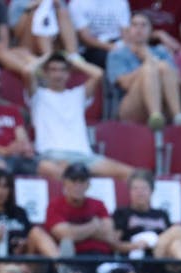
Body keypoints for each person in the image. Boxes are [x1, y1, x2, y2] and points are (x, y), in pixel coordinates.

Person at [30, 52, 134, 180]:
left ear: (69, 74)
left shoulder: (77, 95)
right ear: (45, 73)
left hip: (85, 157)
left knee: (132, 174)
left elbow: (98, 74)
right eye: (53, 70)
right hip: (53, 155)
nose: (58, 74)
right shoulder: (38, 95)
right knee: (67, 176)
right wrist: (47, 56)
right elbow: (27, 71)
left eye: (63, 70)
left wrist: (74, 61)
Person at [45, 162, 137, 273]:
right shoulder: (55, 205)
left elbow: (108, 233)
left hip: (101, 259)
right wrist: (94, 225)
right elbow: (64, 235)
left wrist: (76, 232)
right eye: (73, 180)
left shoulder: (98, 204)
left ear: (88, 184)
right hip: (74, 260)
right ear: (65, 182)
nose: (78, 185)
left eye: (82, 181)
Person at [108, 11, 181, 129]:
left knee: (163, 66)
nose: (139, 29)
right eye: (134, 25)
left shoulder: (161, 51)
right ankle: (155, 115)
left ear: (151, 31)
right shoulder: (117, 54)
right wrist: (148, 62)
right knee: (150, 68)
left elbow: (179, 83)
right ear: (128, 30)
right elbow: (125, 84)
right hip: (131, 107)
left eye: (143, 25)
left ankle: (178, 115)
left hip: (164, 105)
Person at [112, 169, 181, 273]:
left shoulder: (161, 214)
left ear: (152, 191)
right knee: (178, 230)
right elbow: (114, 244)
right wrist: (135, 246)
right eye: (135, 188)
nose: (139, 192)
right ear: (129, 191)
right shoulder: (122, 213)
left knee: (177, 244)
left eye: (143, 188)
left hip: (165, 261)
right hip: (143, 259)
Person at [68, 0, 130, 68]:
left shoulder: (121, 2)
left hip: (118, 43)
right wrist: (112, 47)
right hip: (92, 47)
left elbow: (125, 32)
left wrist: (122, 46)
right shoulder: (77, 3)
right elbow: (84, 37)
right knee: (109, 57)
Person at [8, 0, 78, 57]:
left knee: (62, 12)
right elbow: (16, 33)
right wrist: (29, 9)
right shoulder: (18, 2)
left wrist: (57, 6)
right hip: (27, 44)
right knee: (36, 15)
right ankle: (49, 58)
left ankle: (73, 55)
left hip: (54, 40)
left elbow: (70, 25)